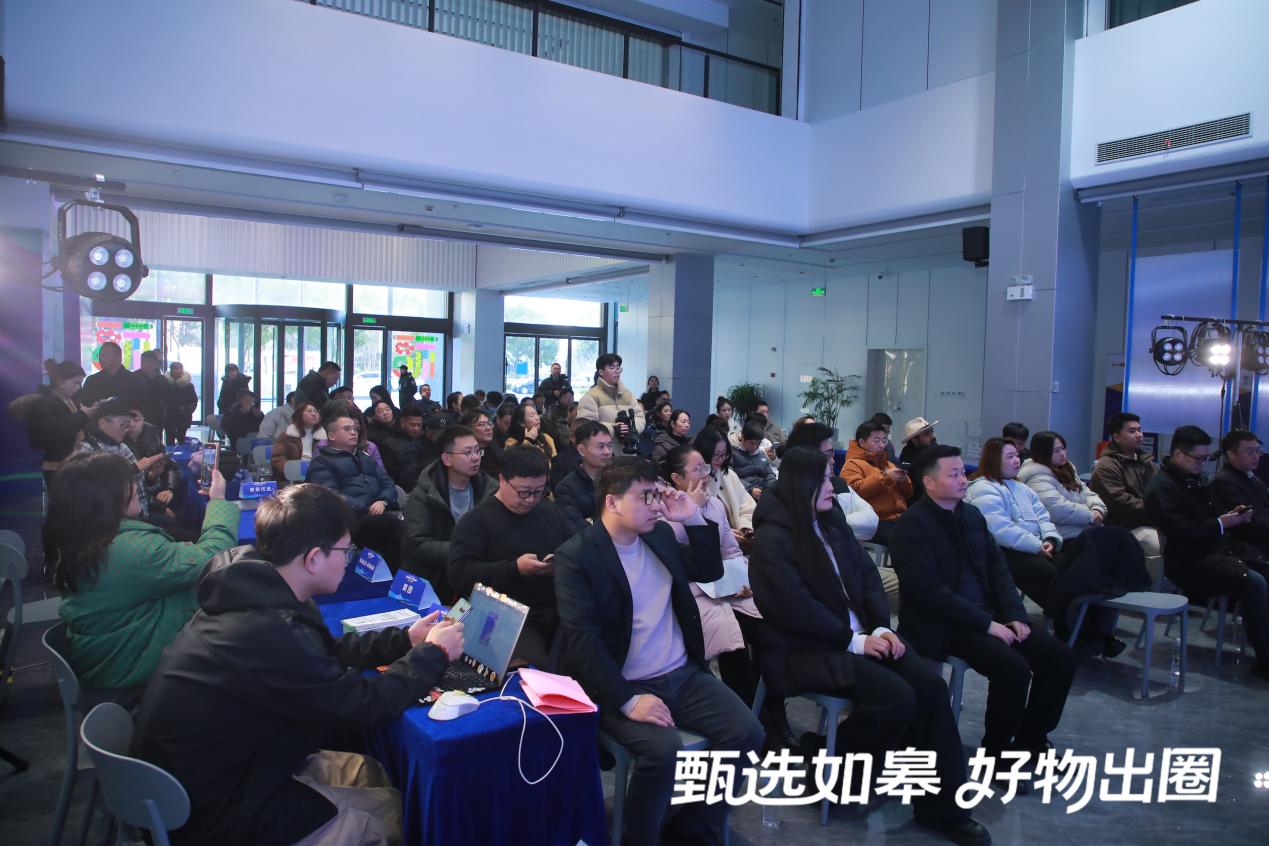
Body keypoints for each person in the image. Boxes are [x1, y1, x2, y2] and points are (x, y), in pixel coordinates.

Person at [131, 483, 464, 846]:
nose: (348, 559)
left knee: (368, 772)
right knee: (385, 817)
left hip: (226, 769)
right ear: (313, 558)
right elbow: (362, 704)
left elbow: (320, 652)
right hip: (217, 810)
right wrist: (433, 653)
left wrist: (405, 640)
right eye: (345, 550)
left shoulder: (253, 590)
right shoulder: (265, 630)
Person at [749, 447, 991, 846]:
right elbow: (794, 607)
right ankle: (833, 769)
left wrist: (880, 626)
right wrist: (854, 641)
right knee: (896, 696)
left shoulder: (831, 521)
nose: (833, 485)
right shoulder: (774, 538)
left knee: (930, 688)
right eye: (824, 479)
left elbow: (868, 578)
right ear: (800, 485)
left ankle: (945, 809)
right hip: (805, 650)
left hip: (859, 638)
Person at [553, 459, 764, 846]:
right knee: (663, 752)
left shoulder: (659, 535)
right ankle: (640, 837)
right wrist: (628, 700)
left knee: (746, 733)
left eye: (657, 494)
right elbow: (583, 641)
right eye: (645, 497)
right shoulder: (577, 557)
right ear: (612, 502)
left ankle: (693, 826)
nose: (655, 505)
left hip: (681, 673)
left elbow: (709, 570)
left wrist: (693, 517)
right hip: (623, 682)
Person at [891, 445, 1076, 764]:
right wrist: (985, 624)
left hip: (988, 616)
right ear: (929, 482)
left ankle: (1032, 742)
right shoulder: (911, 526)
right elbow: (927, 592)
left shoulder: (972, 516)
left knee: (1060, 658)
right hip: (942, 624)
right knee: (1013, 668)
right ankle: (997, 753)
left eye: (962, 472)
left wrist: (1014, 614)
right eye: (953, 474)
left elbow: (998, 570)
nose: (963, 479)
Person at [51, 451, 236, 704]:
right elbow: (213, 557)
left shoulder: (86, 538)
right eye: (125, 483)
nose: (136, 487)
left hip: (112, 669)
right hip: (132, 687)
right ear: (102, 497)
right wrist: (219, 501)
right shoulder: (127, 550)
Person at [970, 437, 1139, 656]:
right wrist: (1037, 545)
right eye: (1010, 457)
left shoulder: (1021, 487)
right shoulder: (983, 488)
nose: (1016, 461)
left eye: (1017, 456)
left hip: (1038, 547)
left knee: (1079, 572)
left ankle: (1090, 633)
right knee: (1052, 578)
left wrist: (1050, 539)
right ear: (994, 460)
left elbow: (1043, 517)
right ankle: (1078, 634)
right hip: (1007, 552)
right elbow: (1000, 529)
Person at [1145, 425, 1269, 680]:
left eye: (1205, 458)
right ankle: (1265, 659)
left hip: (1213, 551)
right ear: (1178, 454)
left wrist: (1229, 518)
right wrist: (1222, 523)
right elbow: (1182, 530)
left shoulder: (1194, 479)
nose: (1203, 464)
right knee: (1253, 582)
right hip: (1188, 561)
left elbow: (1208, 518)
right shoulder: (1162, 487)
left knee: (1264, 572)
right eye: (1198, 459)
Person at [659, 447, 766, 712]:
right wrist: (692, 509)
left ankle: (768, 707)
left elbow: (731, 551)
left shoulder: (715, 504)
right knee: (732, 639)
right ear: (676, 478)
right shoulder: (663, 510)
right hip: (692, 593)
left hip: (724, 587)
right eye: (697, 469)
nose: (705, 474)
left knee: (767, 627)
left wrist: (741, 581)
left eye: (705, 467)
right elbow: (677, 561)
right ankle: (745, 712)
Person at [447, 446, 569, 666]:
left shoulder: (549, 511)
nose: (531, 499)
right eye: (523, 492)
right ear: (502, 480)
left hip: (556, 609)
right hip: (504, 617)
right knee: (531, 669)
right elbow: (459, 574)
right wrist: (514, 569)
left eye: (538, 491)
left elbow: (574, 544)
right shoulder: (476, 521)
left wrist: (561, 561)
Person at [403, 425, 498, 601]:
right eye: (468, 452)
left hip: (479, 573)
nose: (475, 457)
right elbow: (417, 544)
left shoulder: (490, 489)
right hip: (437, 578)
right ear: (447, 459)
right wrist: (463, 550)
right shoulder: (424, 494)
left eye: (477, 451)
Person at [306, 406, 404, 572]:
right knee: (394, 525)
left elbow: (388, 483)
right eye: (347, 429)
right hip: (348, 520)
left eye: (355, 429)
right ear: (332, 436)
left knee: (412, 526)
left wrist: (383, 501)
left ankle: (401, 577)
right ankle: (397, 578)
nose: (353, 432)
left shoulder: (366, 457)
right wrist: (368, 507)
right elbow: (330, 496)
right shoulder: (322, 462)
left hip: (380, 513)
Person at [787, 421, 881, 543]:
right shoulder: (781, 508)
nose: (833, 461)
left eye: (832, 455)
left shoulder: (838, 484)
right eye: (827, 456)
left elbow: (871, 520)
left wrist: (837, 524)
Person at [1089, 411, 1162, 561]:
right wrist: (1159, 512)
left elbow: (1162, 492)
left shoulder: (1146, 462)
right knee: (1157, 544)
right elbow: (1121, 503)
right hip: (1125, 525)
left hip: (1151, 519)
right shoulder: (1106, 466)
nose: (1139, 435)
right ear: (1117, 437)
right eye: (1132, 431)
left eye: (1139, 430)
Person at [1017, 431, 1107, 540]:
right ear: (1043, 453)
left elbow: (1086, 492)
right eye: (1057, 450)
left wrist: (1097, 508)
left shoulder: (1067, 469)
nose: (1062, 453)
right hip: (1063, 535)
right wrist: (1091, 516)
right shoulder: (1036, 477)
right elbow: (1057, 508)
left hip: (1084, 527)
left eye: (1063, 448)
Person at [76, 397, 151, 519]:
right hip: (109, 520)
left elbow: (140, 484)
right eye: (122, 425)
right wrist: (133, 469)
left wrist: (152, 477)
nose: (126, 430)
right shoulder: (87, 449)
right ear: (102, 423)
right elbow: (94, 487)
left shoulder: (122, 447)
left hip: (138, 516)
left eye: (128, 426)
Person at [841, 419, 912, 545]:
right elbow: (854, 493)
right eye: (876, 440)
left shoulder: (889, 464)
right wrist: (885, 476)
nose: (881, 445)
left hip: (900, 518)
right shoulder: (852, 464)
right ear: (862, 442)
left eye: (884, 440)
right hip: (876, 521)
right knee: (908, 540)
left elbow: (908, 495)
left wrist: (903, 481)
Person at [26, 359, 93, 482]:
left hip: (75, 463)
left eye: (80, 383)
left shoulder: (71, 400)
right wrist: (83, 415)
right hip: (56, 466)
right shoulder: (43, 404)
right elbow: (55, 434)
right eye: (75, 383)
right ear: (60, 382)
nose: (78, 388)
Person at [1212, 429, 1269, 554]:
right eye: (1250, 451)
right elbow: (1249, 521)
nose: (1256, 456)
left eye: (1257, 450)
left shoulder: (1250, 476)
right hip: (1248, 546)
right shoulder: (1224, 481)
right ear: (1232, 455)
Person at [694, 426, 757, 538]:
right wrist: (726, 533)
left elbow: (747, 505)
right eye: (715, 455)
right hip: (715, 540)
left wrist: (745, 527)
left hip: (738, 537)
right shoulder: (693, 480)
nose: (720, 459)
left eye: (724, 454)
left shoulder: (729, 475)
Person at [555, 420, 614, 536]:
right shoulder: (566, 488)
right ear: (582, 450)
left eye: (610, 446)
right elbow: (575, 528)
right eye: (601, 447)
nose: (607, 452)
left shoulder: (619, 478)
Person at [576, 353, 644, 449]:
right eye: (611, 367)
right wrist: (613, 429)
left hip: (629, 451)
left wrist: (630, 428)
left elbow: (640, 417)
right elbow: (585, 426)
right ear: (601, 371)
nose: (616, 371)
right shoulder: (591, 396)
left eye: (618, 367)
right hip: (603, 452)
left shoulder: (628, 395)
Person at [79, 341, 151, 410]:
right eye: (100, 355)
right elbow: (85, 407)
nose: (101, 358)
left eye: (105, 355)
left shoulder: (134, 380)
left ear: (119, 357)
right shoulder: (92, 380)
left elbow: (143, 406)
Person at [269, 401, 326, 485]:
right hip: (291, 478)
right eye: (309, 411)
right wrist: (292, 470)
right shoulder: (287, 435)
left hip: (315, 476)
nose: (314, 414)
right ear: (300, 414)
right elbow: (277, 458)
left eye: (316, 411)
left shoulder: (323, 438)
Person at [379, 405, 428, 491]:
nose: (416, 428)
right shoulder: (388, 444)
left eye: (419, 425)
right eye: (412, 425)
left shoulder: (424, 440)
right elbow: (391, 474)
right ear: (402, 422)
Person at [729, 417, 778, 499]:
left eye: (758, 443)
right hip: (743, 494)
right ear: (742, 437)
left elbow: (769, 474)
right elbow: (730, 477)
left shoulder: (761, 454)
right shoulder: (732, 454)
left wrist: (773, 485)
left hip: (763, 492)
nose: (755, 447)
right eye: (752, 443)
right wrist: (750, 490)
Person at [503, 401, 557, 469]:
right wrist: (528, 440)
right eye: (532, 416)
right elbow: (515, 465)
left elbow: (555, 464)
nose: (537, 418)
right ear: (522, 422)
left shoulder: (546, 438)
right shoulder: (511, 442)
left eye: (536, 414)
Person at [459, 407, 500, 479]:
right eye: (481, 425)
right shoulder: (463, 454)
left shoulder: (496, 448)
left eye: (489, 423)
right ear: (468, 429)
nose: (488, 428)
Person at [164, 361, 199, 445]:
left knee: (182, 439)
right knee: (169, 440)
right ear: (171, 370)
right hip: (169, 416)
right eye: (175, 369)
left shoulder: (188, 385)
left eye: (180, 368)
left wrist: (187, 410)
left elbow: (193, 400)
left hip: (183, 416)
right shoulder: (166, 384)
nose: (178, 371)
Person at [136, 350, 167, 428]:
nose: (147, 365)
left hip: (157, 416)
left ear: (156, 363)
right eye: (143, 362)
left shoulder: (162, 379)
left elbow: (166, 399)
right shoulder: (134, 377)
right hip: (138, 415)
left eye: (150, 362)